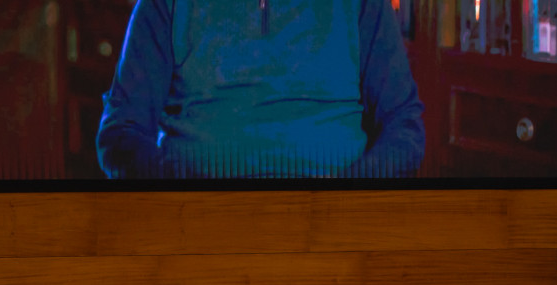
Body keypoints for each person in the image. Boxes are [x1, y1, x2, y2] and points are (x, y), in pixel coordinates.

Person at [97, 0, 425, 179]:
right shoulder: (164, 5)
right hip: (198, 222)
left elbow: (404, 125)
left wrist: (349, 199)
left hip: (331, 223)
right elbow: (120, 131)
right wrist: (182, 197)